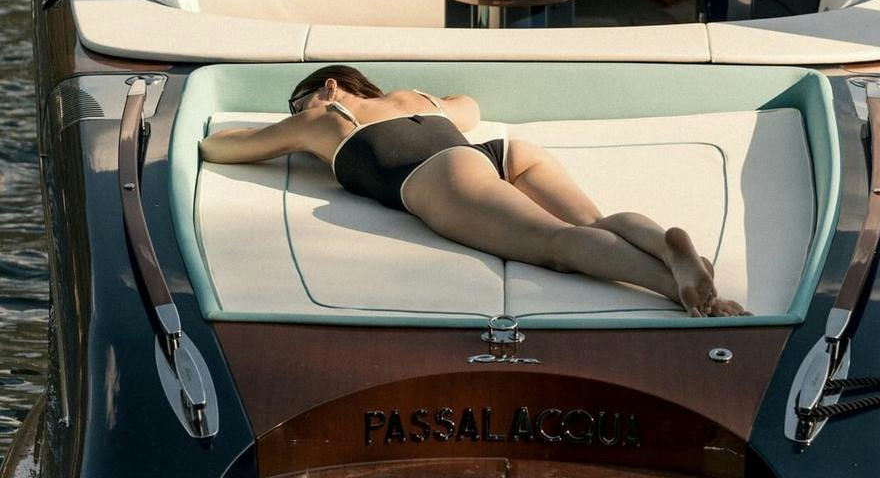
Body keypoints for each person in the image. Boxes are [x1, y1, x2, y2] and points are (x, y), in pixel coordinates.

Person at [199, 66, 745, 317]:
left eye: (298, 103)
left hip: (439, 176)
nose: (294, 117)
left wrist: (294, 130)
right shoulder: (413, 96)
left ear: (330, 86)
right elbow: (471, 108)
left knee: (558, 245)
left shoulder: (326, 119)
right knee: (593, 224)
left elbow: (226, 147)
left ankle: (689, 296)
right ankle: (677, 255)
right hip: (499, 152)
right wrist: (431, 103)